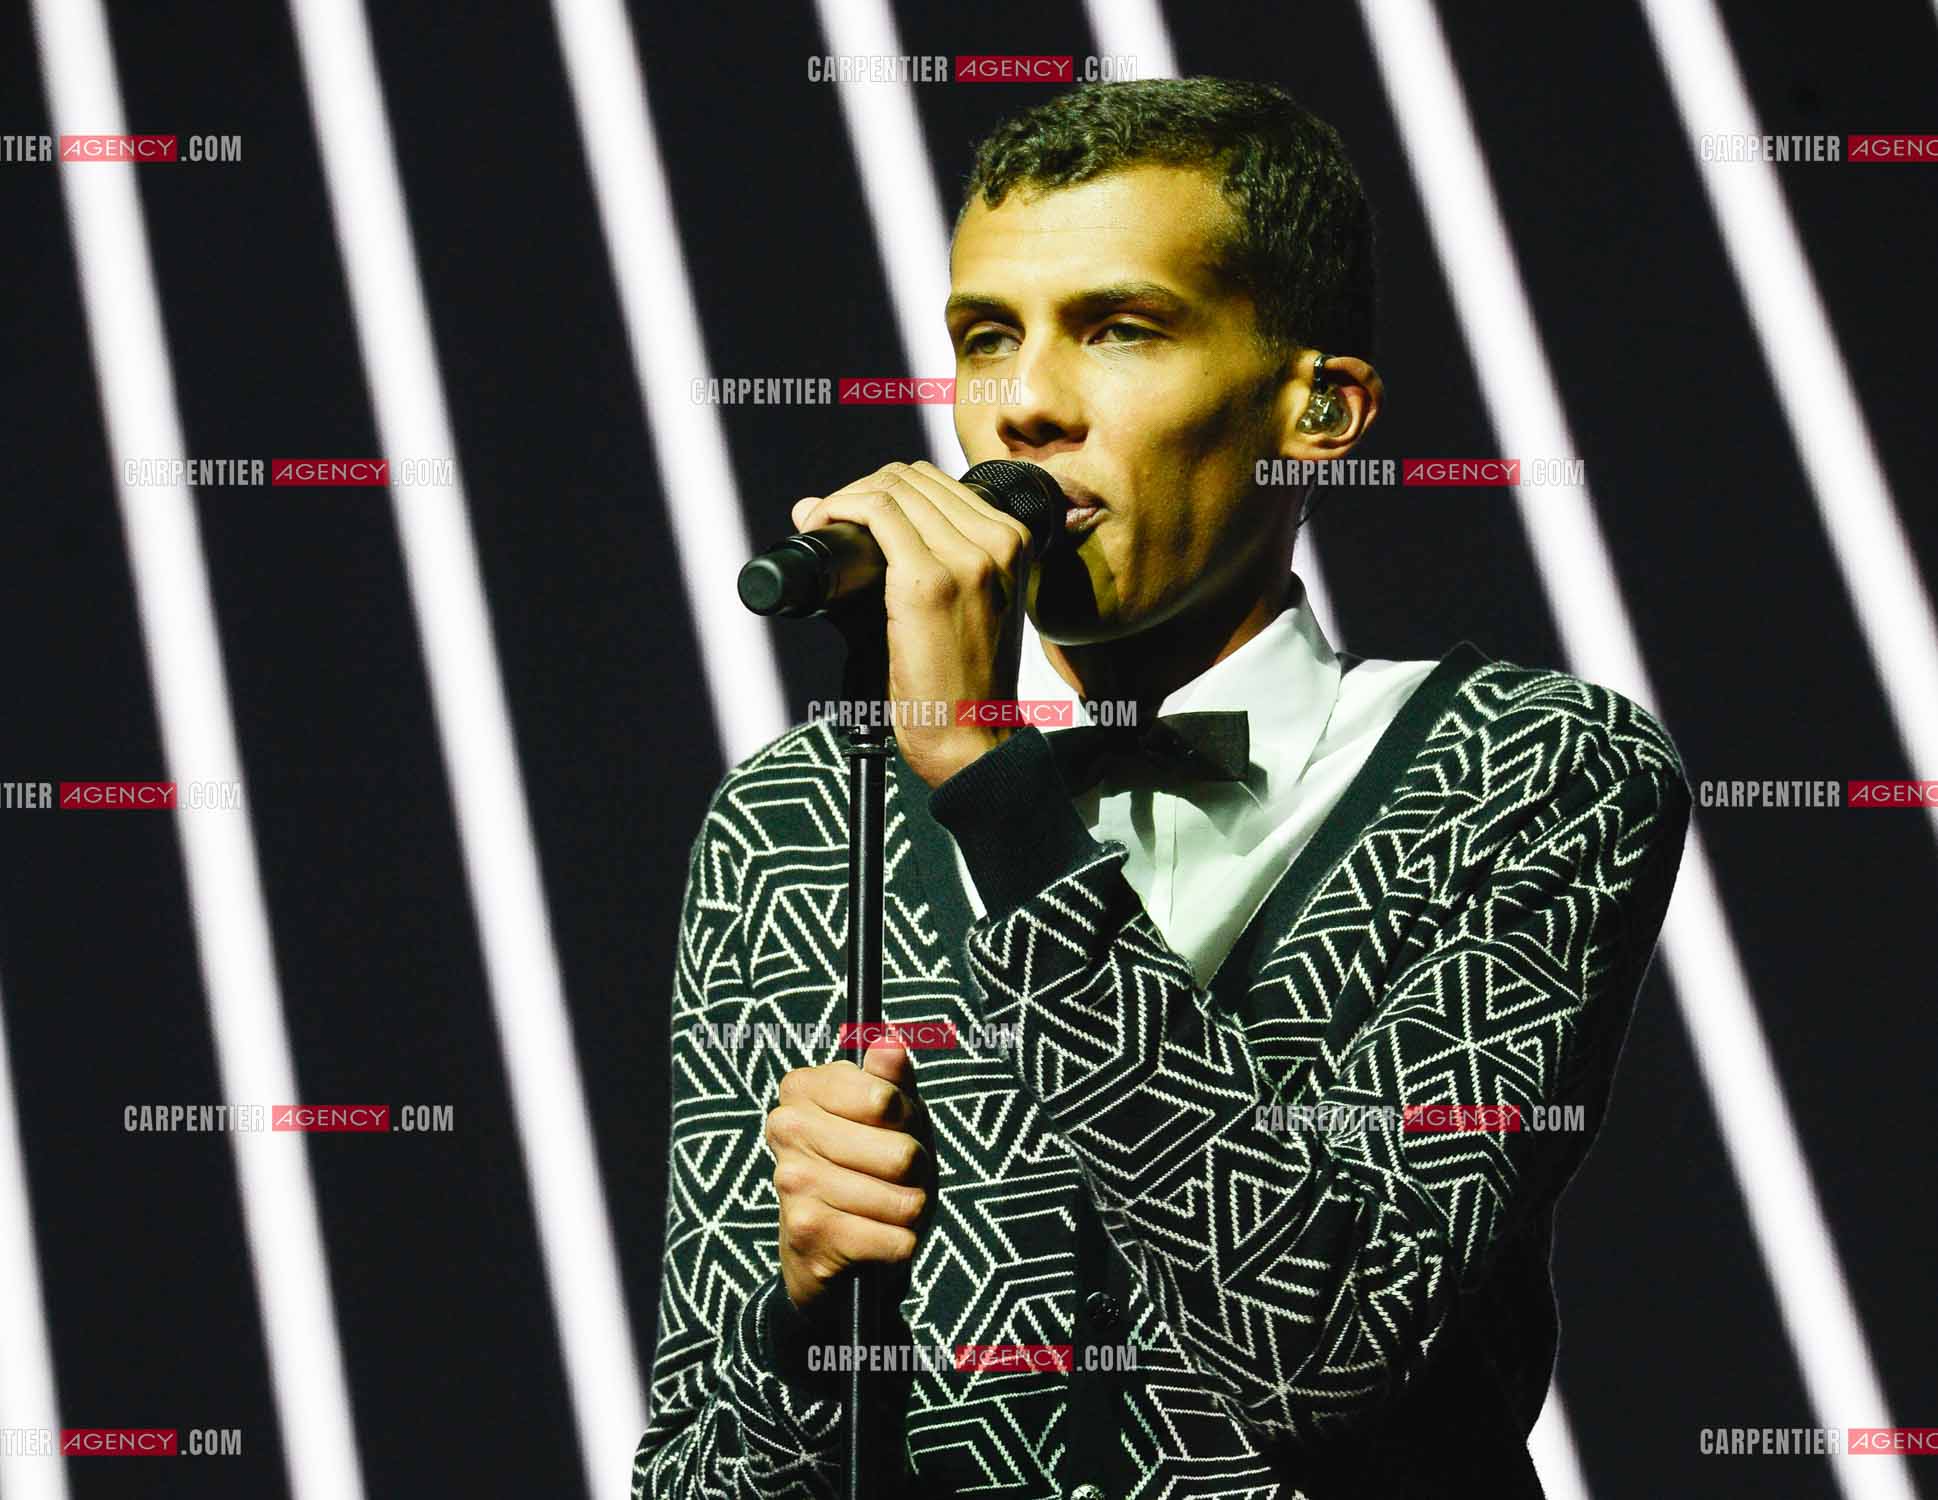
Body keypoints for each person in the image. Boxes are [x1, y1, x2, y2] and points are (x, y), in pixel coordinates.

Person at [633, 77, 1689, 1500]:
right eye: (986, 338)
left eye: (1120, 331)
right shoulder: (805, 812)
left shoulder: (1529, 768)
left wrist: (990, 786)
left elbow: (1320, 1350)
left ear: (1317, 408)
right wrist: (803, 1314)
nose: (1025, 408)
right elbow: (696, 1475)